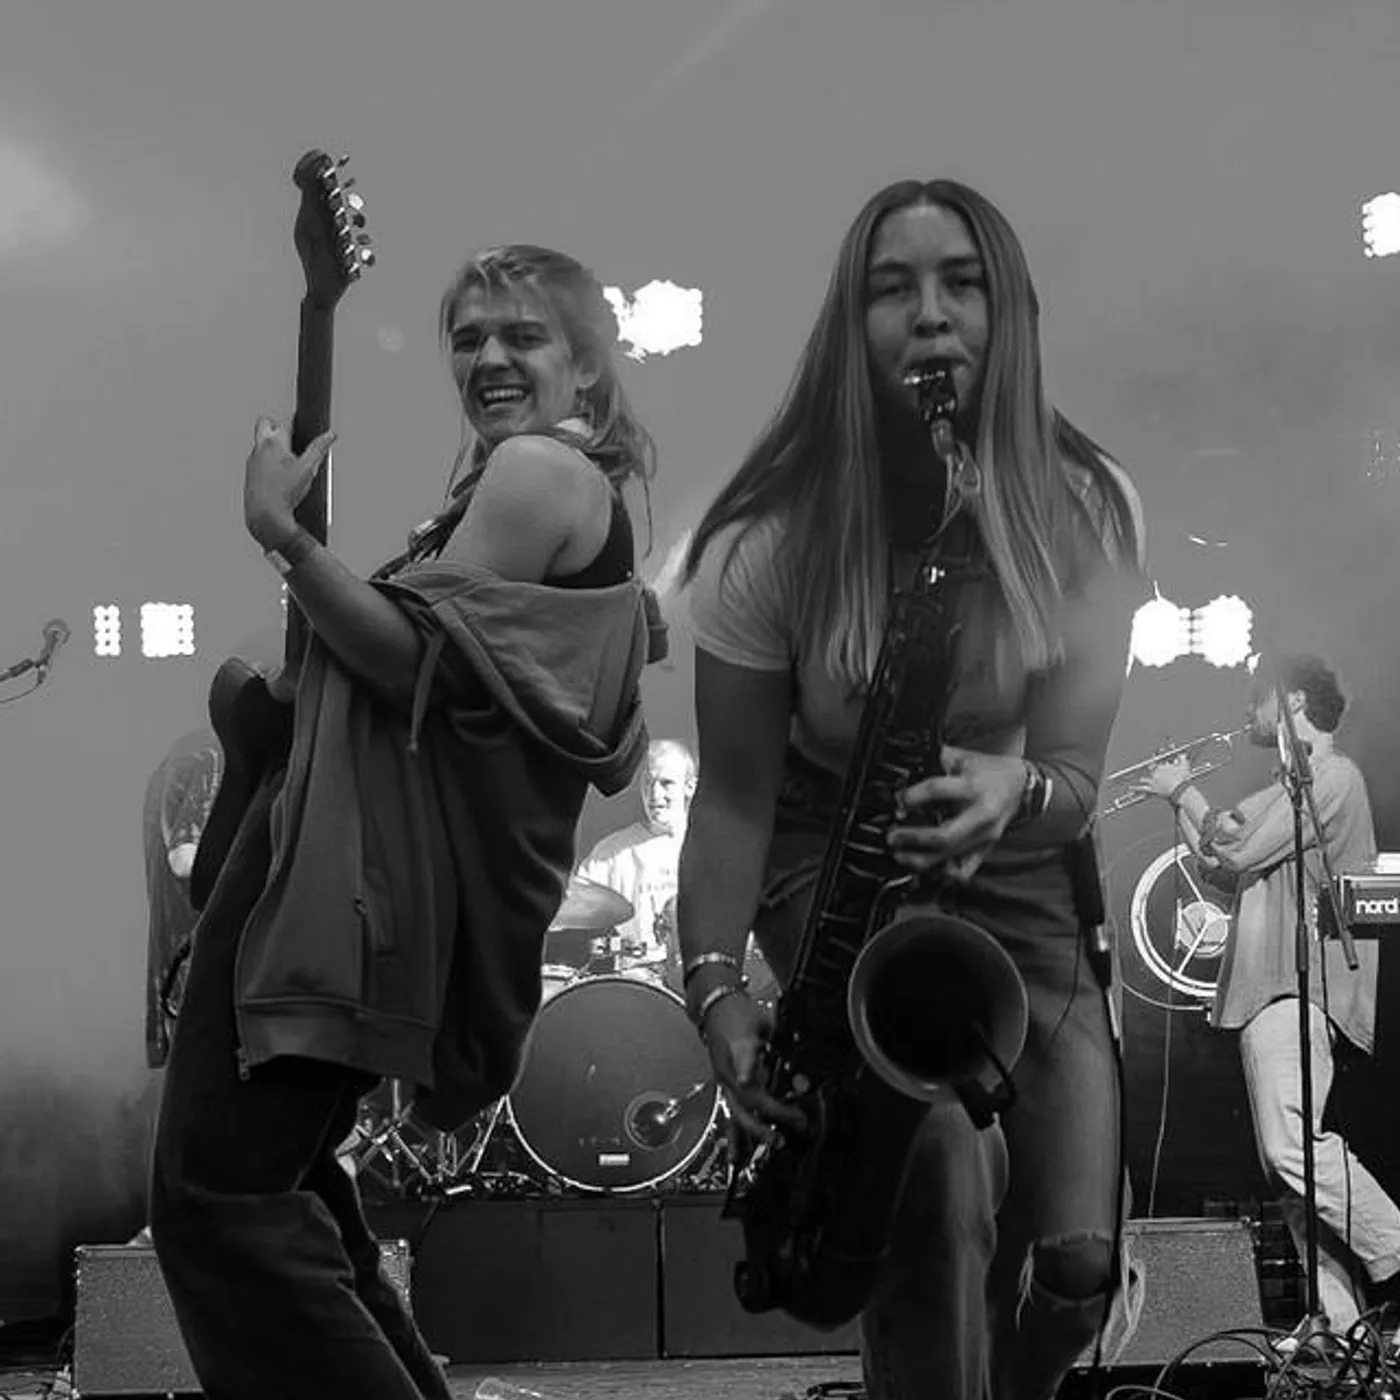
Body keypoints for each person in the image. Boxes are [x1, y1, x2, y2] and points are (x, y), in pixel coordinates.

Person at [149, 243, 658, 1400]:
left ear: (585, 364)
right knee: (284, 1191)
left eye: (521, 336)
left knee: (222, 1196)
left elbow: (402, 659)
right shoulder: (519, 485)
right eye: (467, 336)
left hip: (351, 886)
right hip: (359, 877)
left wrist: (282, 535)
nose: (487, 356)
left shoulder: (536, 471)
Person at [676, 178, 1148, 1400]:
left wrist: (1017, 790)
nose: (928, 317)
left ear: (1010, 313)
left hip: (1027, 887)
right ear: (850, 322)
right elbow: (729, 798)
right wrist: (719, 994)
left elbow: (1079, 776)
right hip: (833, 864)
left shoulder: (1088, 510)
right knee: (934, 1190)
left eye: (960, 284)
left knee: (1080, 1265)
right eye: (892, 289)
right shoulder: (762, 541)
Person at [1141, 653, 1400, 1342]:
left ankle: (1396, 1248)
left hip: (1296, 984)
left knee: (1293, 1146)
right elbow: (1223, 864)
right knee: (1287, 1172)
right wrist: (1192, 810)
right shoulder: (1286, 789)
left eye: (1261, 701)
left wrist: (1181, 794)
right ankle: (1338, 1323)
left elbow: (1239, 847)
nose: (1250, 714)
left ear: (1290, 701)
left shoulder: (1329, 778)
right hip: (1265, 988)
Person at [576, 737, 697, 973]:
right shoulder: (610, 853)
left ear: (690, 787)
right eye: (648, 782)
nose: (655, 793)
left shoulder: (710, 850)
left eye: (666, 783)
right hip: (635, 987)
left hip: (696, 983)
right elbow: (572, 905)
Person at [141, 729, 222, 1069]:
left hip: (182, 978)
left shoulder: (184, 752)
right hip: (203, 977)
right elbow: (185, 859)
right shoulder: (213, 757)